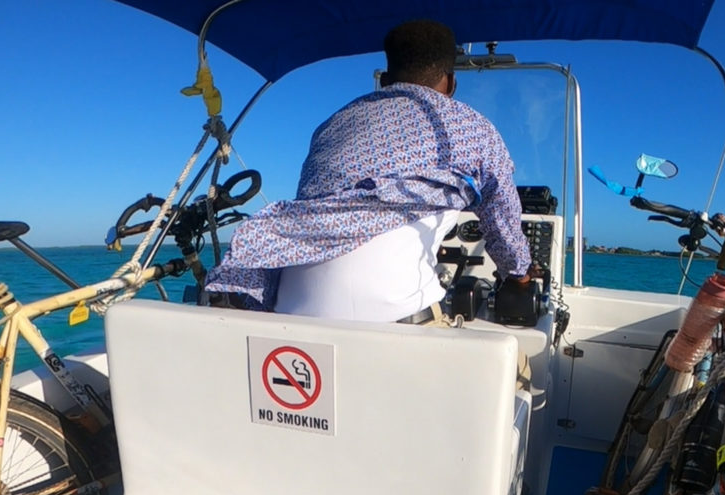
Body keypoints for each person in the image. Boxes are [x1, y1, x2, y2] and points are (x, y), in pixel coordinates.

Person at [204, 19, 531, 323]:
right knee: (515, 364)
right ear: (450, 82)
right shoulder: (476, 129)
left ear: (385, 81)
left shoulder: (333, 123)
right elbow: (502, 223)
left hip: (292, 313)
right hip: (394, 320)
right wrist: (519, 276)